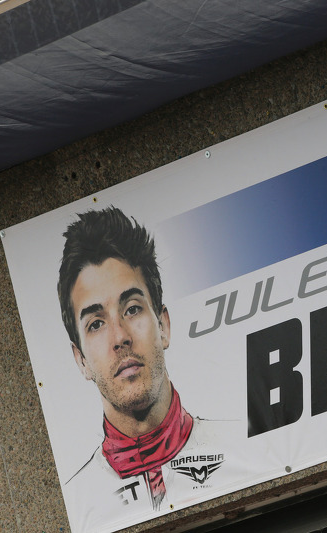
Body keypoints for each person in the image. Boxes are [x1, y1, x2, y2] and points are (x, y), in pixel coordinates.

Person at [58, 207, 237, 531]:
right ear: (80, 360)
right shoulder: (75, 505)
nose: (120, 337)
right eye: (96, 323)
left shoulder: (242, 445)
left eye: (132, 309)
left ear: (163, 325)